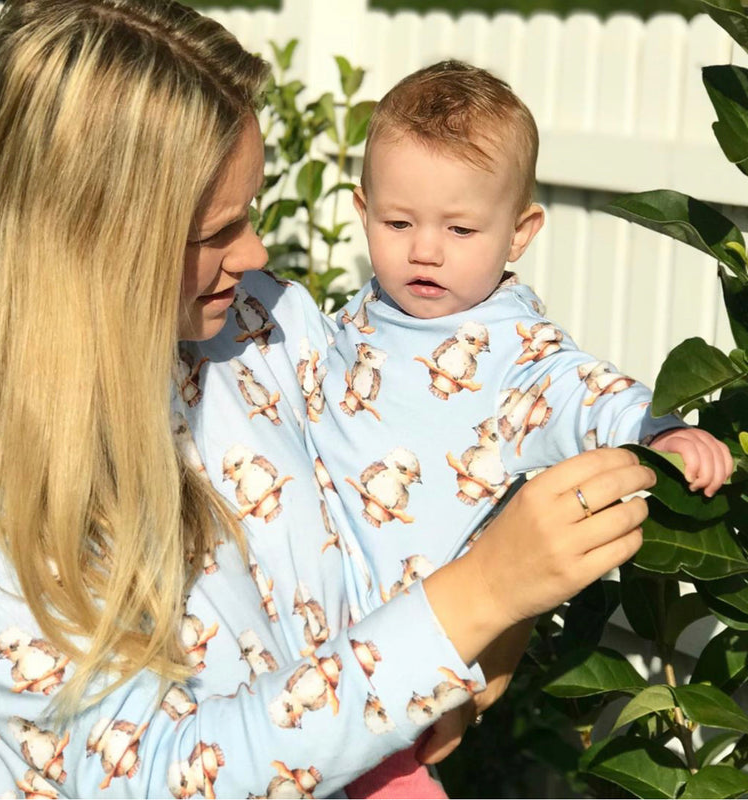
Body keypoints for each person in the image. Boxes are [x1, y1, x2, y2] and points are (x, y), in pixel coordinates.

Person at [0, 4, 659, 797]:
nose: (255, 253)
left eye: (250, 211)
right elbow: (150, 777)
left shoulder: (256, 324)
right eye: (213, 232)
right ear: (87, 238)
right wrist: (475, 598)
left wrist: (494, 618)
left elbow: (434, 440)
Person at [292, 61, 733, 798]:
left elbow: (589, 392)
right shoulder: (354, 316)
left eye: (460, 228)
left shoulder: (515, 355)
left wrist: (659, 432)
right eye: (397, 223)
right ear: (363, 208)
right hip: (298, 645)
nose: (424, 250)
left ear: (521, 231)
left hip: (403, 668)